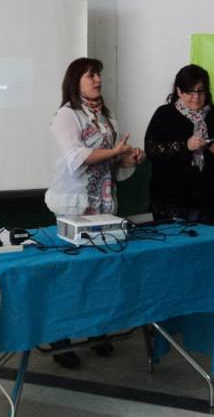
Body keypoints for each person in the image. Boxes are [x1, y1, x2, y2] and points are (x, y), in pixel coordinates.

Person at [44, 57, 144, 369]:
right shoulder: (67, 115)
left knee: (100, 273)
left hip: (104, 206)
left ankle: (96, 332)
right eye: (91, 75)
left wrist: (129, 158)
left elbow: (114, 164)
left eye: (98, 74)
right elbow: (76, 157)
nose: (98, 80)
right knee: (71, 276)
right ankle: (60, 340)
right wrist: (114, 152)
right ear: (76, 81)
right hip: (75, 205)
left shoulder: (107, 117)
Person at [144, 64, 214, 224]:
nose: (196, 97)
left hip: (209, 202)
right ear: (179, 91)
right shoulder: (164, 114)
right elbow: (151, 150)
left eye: (201, 91)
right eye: (190, 91)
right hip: (170, 201)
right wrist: (185, 146)